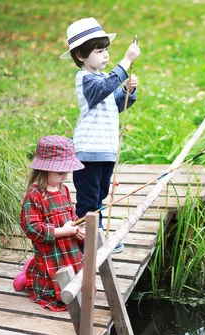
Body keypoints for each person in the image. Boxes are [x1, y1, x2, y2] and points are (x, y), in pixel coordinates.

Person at [60, 17, 141, 253]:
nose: (105, 55)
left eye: (106, 50)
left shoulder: (103, 79)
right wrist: (125, 62)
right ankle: (86, 241)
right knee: (88, 199)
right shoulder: (85, 79)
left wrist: (127, 90)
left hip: (105, 150)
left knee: (100, 197)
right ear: (81, 56)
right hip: (89, 151)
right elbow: (101, 91)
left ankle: (96, 237)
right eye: (99, 50)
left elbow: (115, 103)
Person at [20, 135, 86, 312]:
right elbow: (32, 228)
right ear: (44, 170)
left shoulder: (63, 189)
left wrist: (77, 229)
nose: (65, 176)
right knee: (56, 292)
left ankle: (28, 270)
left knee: (79, 287)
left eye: (67, 171)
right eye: (60, 172)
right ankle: (28, 274)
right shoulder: (35, 195)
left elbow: (71, 217)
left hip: (69, 250)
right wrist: (62, 232)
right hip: (51, 254)